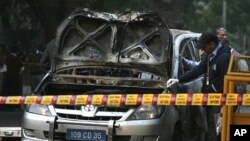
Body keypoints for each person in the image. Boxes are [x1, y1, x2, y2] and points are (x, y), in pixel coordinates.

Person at [167, 33, 231, 141]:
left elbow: (228, 81)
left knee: (218, 132)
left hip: (220, 102)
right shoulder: (210, 55)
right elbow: (198, 69)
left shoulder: (224, 57)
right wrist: (179, 79)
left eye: (204, 47)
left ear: (212, 44)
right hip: (210, 99)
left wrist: (225, 105)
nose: (202, 50)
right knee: (210, 130)